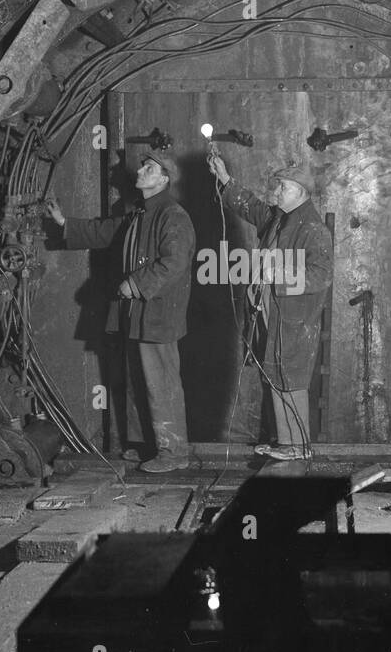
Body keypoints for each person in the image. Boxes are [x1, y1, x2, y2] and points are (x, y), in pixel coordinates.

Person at [47, 152, 196, 473]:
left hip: (157, 315)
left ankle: (173, 453)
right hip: (137, 314)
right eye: (143, 166)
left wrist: (135, 284)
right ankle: (147, 446)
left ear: (164, 178)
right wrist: (64, 223)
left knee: (161, 384)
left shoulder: (172, 215)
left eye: (149, 168)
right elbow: (106, 231)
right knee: (140, 382)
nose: (140, 171)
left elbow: (174, 263)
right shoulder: (141, 214)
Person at [209, 153, 333, 461]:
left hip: (294, 318)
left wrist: (278, 273)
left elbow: (321, 275)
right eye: (276, 187)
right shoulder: (280, 218)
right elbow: (250, 207)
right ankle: (286, 442)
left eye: (282, 188)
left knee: (291, 378)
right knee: (276, 375)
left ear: (301, 191)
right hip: (272, 314)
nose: (275, 193)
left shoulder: (313, 228)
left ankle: (298, 445)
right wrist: (225, 178)